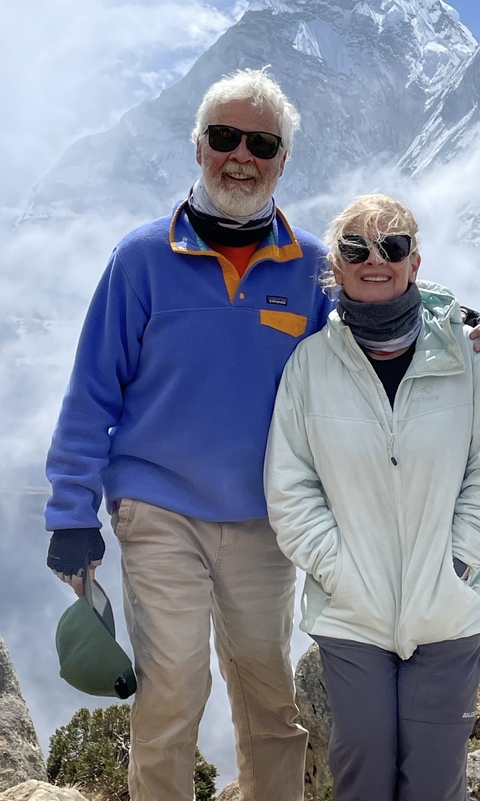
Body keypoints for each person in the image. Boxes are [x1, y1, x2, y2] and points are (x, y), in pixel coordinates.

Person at [44, 69, 335, 801]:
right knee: (173, 688)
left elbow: (363, 344)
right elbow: (91, 394)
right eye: (224, 137)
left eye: (261, 142)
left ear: (282, 159)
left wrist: (445, 327)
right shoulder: (140, 258)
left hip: (265, 516)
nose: (241, 155)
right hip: (158, 508)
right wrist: (70, 515)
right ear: (198, 144)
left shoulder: (308, 269)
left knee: (270, 697)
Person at [265, 193, 480, 801]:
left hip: (449, 609)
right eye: (356, 248)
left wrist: (461, 560)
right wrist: (341, 570)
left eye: (394, 246)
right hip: (352, 615)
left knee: (436, 781)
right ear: (335, 266)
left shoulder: (467, 355)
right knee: (362, 770)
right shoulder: (310, 366)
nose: (375, 259)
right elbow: (291, 488)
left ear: (416, 262)